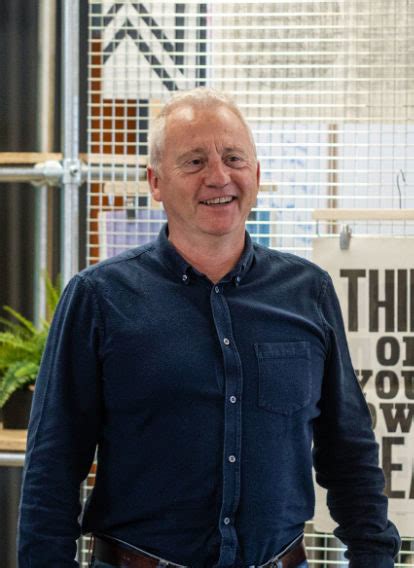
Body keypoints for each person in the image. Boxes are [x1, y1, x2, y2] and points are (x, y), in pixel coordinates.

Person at [18, 88, 400, 568]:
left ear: (256, 175)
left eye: (234, 158)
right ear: (156, 182)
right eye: (194, 161)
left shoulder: (309, 292)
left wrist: (374, 558)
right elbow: (52, 468)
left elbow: (349, 452)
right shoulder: (99, 298)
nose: (219, 177)